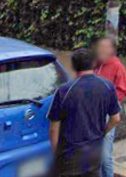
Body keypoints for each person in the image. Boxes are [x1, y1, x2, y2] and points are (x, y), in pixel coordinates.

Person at [48, 48, 121, 177]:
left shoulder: (64, 91)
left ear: (74, 67)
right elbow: (116, 119)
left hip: (70, 155)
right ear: (93, 64)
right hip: (94, 154)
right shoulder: (107, 86)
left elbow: (54, 129)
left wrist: (56, 154)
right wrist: (102, 133)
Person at [93, 38, 126, 177]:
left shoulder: (117, 66)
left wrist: (109, 103)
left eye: (105, 47)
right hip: (93, 111)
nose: (101, 50)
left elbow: (123, 90)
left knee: (105, 155)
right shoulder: (96, 64)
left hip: (108, 113)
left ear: (112, 50)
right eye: (100, 47)